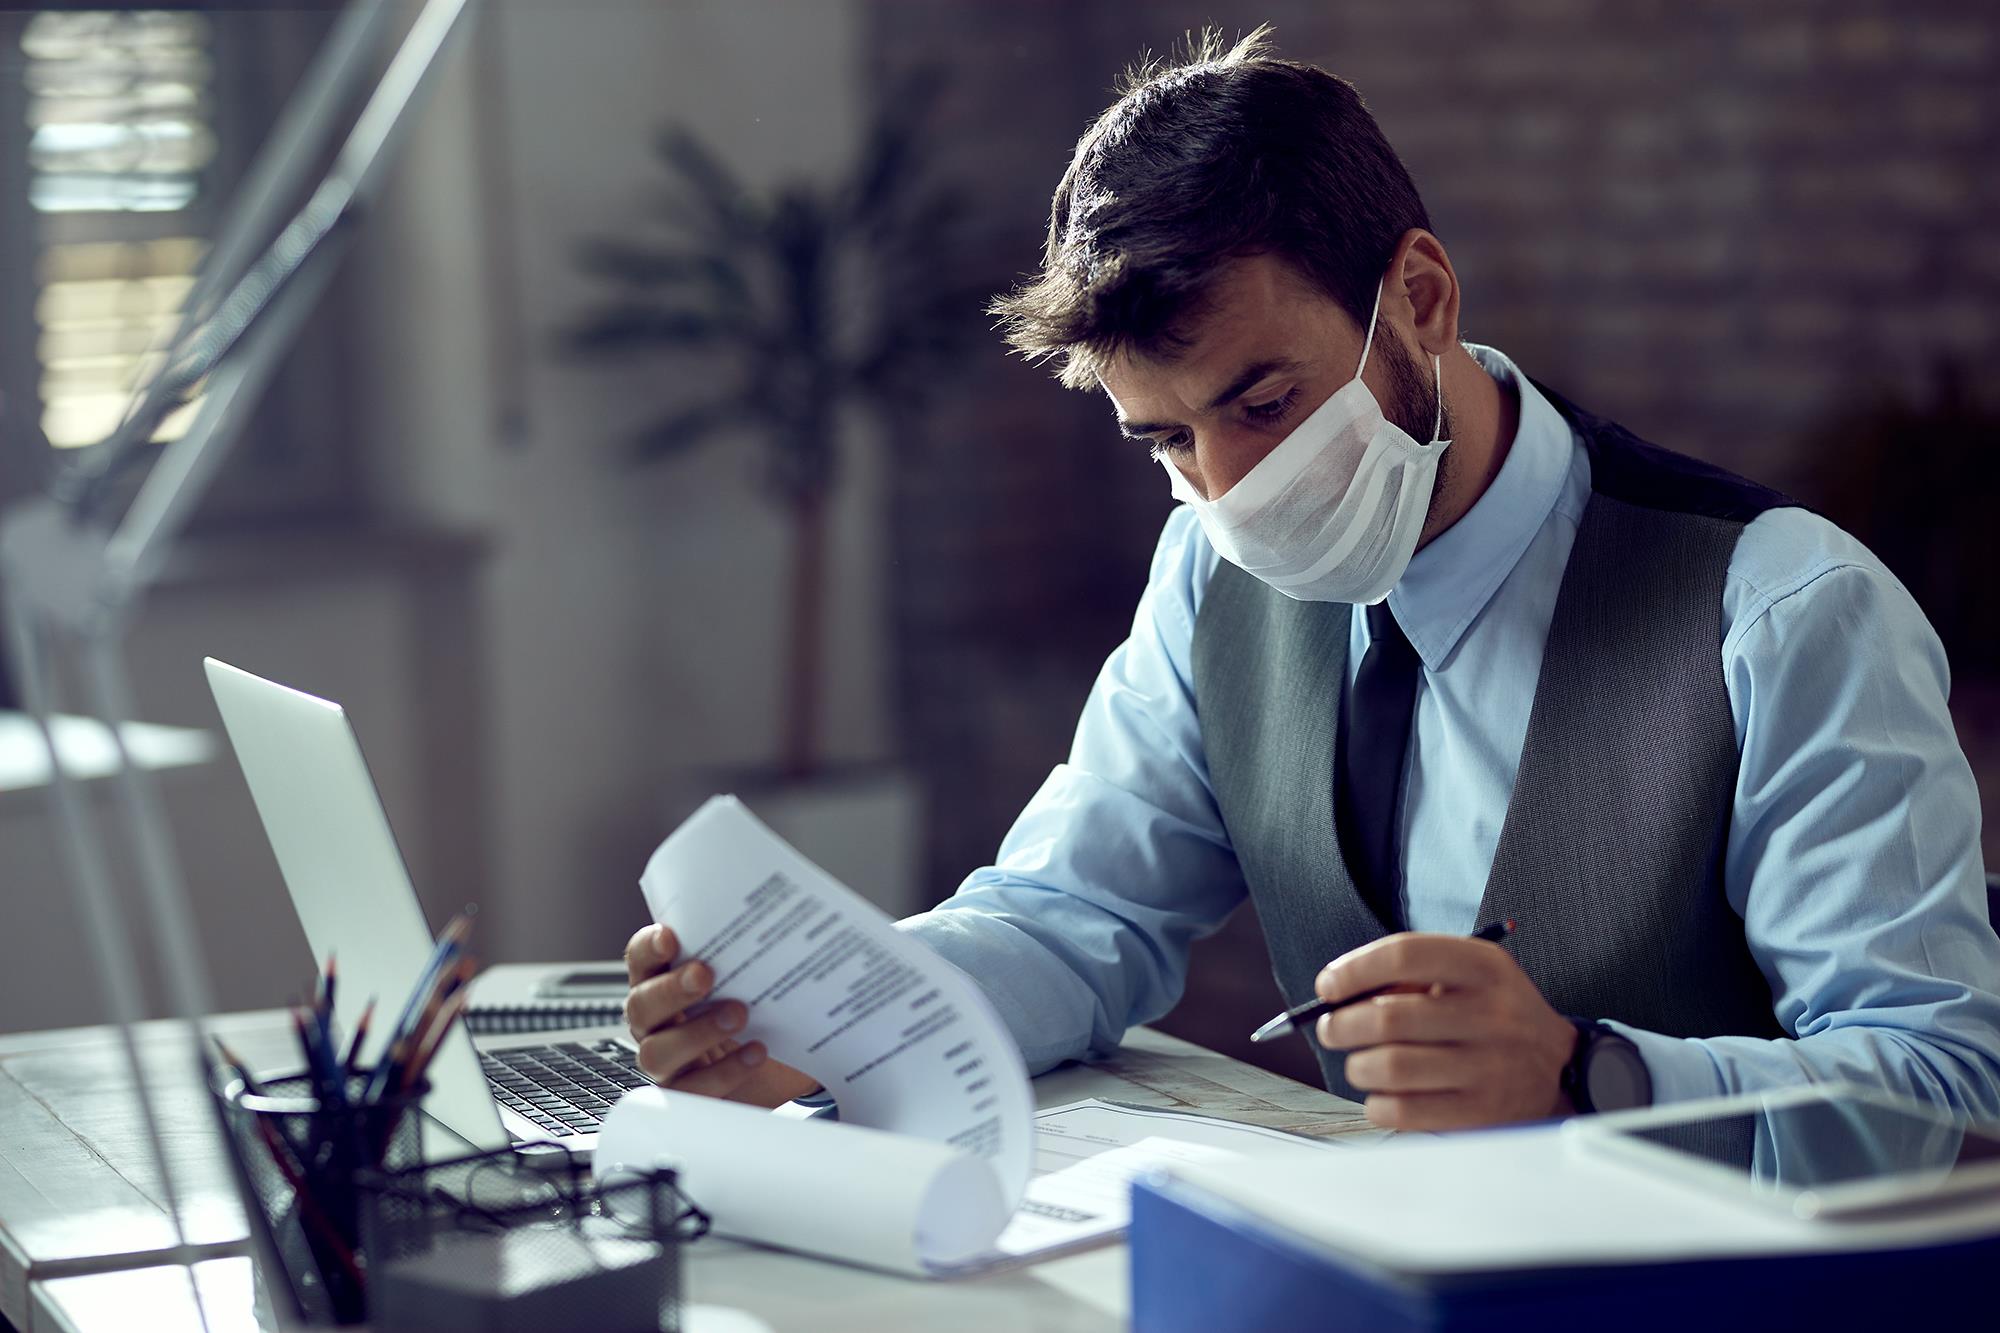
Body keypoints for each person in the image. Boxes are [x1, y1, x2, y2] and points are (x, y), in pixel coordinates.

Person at [621, 28, 2000, 1131]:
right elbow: (1072, 913)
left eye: (1265, 402)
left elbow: (1947, 1087)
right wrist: (828, 1025)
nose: (1227, 491)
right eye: (1167, 440)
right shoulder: (1207, 583)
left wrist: (1592, 1070)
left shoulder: (1787, 612)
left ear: (1423, 299)